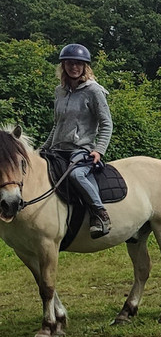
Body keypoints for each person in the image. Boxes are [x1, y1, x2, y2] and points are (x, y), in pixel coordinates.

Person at [41, 43, 114, 239]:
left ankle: (100, 214)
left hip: (80, 150)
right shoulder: (60, 91)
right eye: (70, 63)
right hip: (57, 149)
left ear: (85, 67)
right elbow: (57, 125)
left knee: (77, 175)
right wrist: (42, 149)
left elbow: (107, 123)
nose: (74, 67)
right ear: (63, 66)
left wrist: (99, 150)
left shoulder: (93, 91)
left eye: (79, 64)